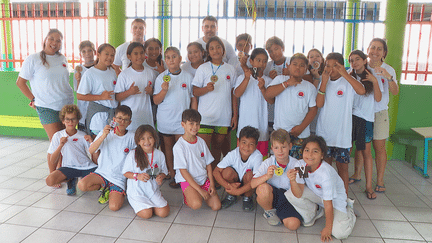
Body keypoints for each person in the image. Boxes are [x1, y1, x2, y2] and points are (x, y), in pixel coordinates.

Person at [16, 29, 74, 185]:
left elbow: (63, 82)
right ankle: (53, 176)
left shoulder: (62, 58)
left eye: (59, 40)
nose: (55, 43)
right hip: (46, 107)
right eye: (52, 39)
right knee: (57, 143)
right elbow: (20, 83)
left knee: (66, 142)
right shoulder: (33, 59)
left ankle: (62, 173)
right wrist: (34, 99)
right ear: (45, 39)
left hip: (66, 105)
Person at [285, 135, 356, 241]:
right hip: (320, 197)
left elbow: (328, 204)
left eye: (315, 151)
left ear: (322, 155)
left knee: (339, 233)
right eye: (307, 150)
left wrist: (327, 228)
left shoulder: (325, 173)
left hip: (335, 201)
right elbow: (298, 194)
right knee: (290, 194)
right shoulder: (302, 165)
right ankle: (315, 213)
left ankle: (349, 210)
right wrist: (293, 180)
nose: (310, 155)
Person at [316, 52, 366, 194]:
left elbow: (361, 91)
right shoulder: (323, 81)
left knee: (343, 168)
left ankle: (343, 199)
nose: (331, 69)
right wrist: (324, 82)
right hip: (325, 134)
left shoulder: (348, 82)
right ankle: (325, 196)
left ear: (342, 67)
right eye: (328, 66)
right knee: (324, 167)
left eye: (335, 66)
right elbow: (319, 104)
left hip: (342, 136)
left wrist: (345, 74)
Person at [154, 47, 198, 188]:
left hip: (183, 123)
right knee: (168, 148)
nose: (171, 59)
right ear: (165, 60)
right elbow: (156, 100)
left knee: (182, 149)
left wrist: (194, 119)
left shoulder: (188, 77)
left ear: (180, 59)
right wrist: (164, 90)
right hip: (166, 120)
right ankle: (172, 174)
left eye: (174, 56)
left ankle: (183, 175)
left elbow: (193, 99)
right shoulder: (161, 78)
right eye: (168, 57)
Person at [77, 105, 136, 211]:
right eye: (119, 118)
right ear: (114, 119)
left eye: (125, 119)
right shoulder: (105, 133)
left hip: (119, 178)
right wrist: (104, 135)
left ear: (129, 122)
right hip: (102, 173)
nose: (122, 122)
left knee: (114, 207)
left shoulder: (132, 137)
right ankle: (104, 187)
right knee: (82, 185)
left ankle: (114, 191)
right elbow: (91, 150)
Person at [192, 36, 238, 169]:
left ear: (223, 50)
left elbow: (233, 94)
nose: (215, 50)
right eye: (211, 48)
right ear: (208, 52)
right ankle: (203, 178)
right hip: (205, 117)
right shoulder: (203, 68)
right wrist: (206, 89)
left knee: (217, 149)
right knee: (203, 151)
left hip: (223, 117)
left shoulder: (231, 69)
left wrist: (235, 115)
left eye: (218, 47)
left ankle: (214, 177)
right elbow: (195, 91)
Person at [266, 53, 318, 159]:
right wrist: (287, 83)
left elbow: (313, 110)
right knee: (278, 165)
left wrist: (301, 128)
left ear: (306, 69)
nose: (298, 67)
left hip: (301, 134)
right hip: (280, 132)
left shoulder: (310, 87)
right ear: (288, 66)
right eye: (295, 64)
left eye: (302, 65)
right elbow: (268, 94)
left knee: (299, 166)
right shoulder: (280, 79)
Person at [348, 50, 383, 200]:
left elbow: (378, 99)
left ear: (364, 60)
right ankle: (343, 181)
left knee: (366, 153)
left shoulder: (372, 76)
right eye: (351, 60)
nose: (354, 62)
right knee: (346, 150)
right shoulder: (349, 76)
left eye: (357, 59)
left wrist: (375, 82)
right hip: (349, 118)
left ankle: (369, 186)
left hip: (366, 119)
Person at [251, 129, 302, 230]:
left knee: (294, 225)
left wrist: (293, 181)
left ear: (290, 146)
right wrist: (267, 176)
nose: (280, 151)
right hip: (272, 195)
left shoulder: (299, 164)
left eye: (283, 147)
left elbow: (301, 193)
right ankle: (269, 211)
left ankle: (281, 213)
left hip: (289, 197)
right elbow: (252, 184)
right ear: (272, 148)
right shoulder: (267, 162)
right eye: (277, 147)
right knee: (262, 188)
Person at [367, 38, 399, 193]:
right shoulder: (362, 66)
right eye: (373, 47)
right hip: (362, 113)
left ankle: (380, 180)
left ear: (384, 53)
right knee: (362, 148)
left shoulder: (388, 70)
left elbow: (395, 91)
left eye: (379, 49)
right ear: (368, 49)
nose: (375, 51)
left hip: (380, 113)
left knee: (379, 147)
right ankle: (357, 174)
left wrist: (388, 76)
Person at [173, 109, 221, 211]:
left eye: (197, 124)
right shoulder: (179, 146)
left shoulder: (201, 142)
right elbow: (183, 171)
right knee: (196, 204)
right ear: (183, 124)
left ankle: (198, 193)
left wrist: (212, 184)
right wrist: (199, 190)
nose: (195, 127)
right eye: (191, 123)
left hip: (203, 179)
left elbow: (208, 164)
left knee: (216, 206)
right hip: (188, 181)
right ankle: (188, 197)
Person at [45, 104, 97, 195]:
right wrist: (60, 145)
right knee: (49, 181)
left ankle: (80, 179)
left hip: (86, 167)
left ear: (77, 120)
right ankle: (70, 179)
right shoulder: (58, 135)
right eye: (67, 119)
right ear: (63, 121)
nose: (70, 122)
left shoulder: (82, 135)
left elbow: (94, 152)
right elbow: (52, 160)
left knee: (97, 183)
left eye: (73, 119)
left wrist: (91, 142)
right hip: (68, 167)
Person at [122, 125, 170, 219]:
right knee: (147, 214)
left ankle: (151, 203)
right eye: (143, 139)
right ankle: (140, 203)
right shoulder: (133, 154)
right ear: (138, 141)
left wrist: (161, 176)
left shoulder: (159, 154)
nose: (147, 142)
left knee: (164, 212)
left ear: (155, 139)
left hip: (152, 190)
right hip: (137, 191)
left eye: (150, 138)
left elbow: (164, 171)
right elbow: (125, 173)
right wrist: (137, 176)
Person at [234, 48, 273, 157]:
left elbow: (271, 100)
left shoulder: (268, 80)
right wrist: (247, 79)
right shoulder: (242, 77)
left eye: (265, 61)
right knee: (243, 160)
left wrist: (263, 88)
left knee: (261, 160)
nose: (262, 63)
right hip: (244, 126)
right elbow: (237, 94)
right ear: (251, 61)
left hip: (261, 129)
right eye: (258, 60)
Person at [213, 126, 263, 211]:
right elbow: (215, 172)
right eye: (244, 142)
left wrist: (238, 192)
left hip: (247, 183)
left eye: (251, 144)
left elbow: (256, 180)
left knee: (251, 175)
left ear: (256, 146)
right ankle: (231, 196)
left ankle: (247, 197)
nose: (247, 147)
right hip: (234, 183)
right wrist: (228, 186)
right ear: (238, 142)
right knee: (226, 172)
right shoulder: (233, 154)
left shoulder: (258, 156)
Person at [76, 43, 118, 136]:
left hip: (112, 115)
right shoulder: (90, 73)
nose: (109, 57)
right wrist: (100, 97)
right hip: (98, 116)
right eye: (106, 54)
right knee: (97, 146)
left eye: (112, 55)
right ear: (98, 54)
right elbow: (80, 96)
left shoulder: (112, 71)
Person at [114, 42, 156, 131]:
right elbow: (117, 97)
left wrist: (151, 92)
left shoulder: (150, 73)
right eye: (135, 54)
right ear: (129, 56)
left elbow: (155, 95)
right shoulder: (124, 75)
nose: (139, 56)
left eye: (141, 53)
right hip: (129, 119)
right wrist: (129, 92)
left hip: (146, 116)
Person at [73, 41, 96, 131]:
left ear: (94, 52)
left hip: (96, 104)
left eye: (89, 50)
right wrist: (78, 80)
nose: (87, 54)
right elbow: (78, 92)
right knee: (83, 133)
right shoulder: (79, 70)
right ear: (80, 54)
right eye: (84, 51)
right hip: (83, 108)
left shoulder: (98, 67)